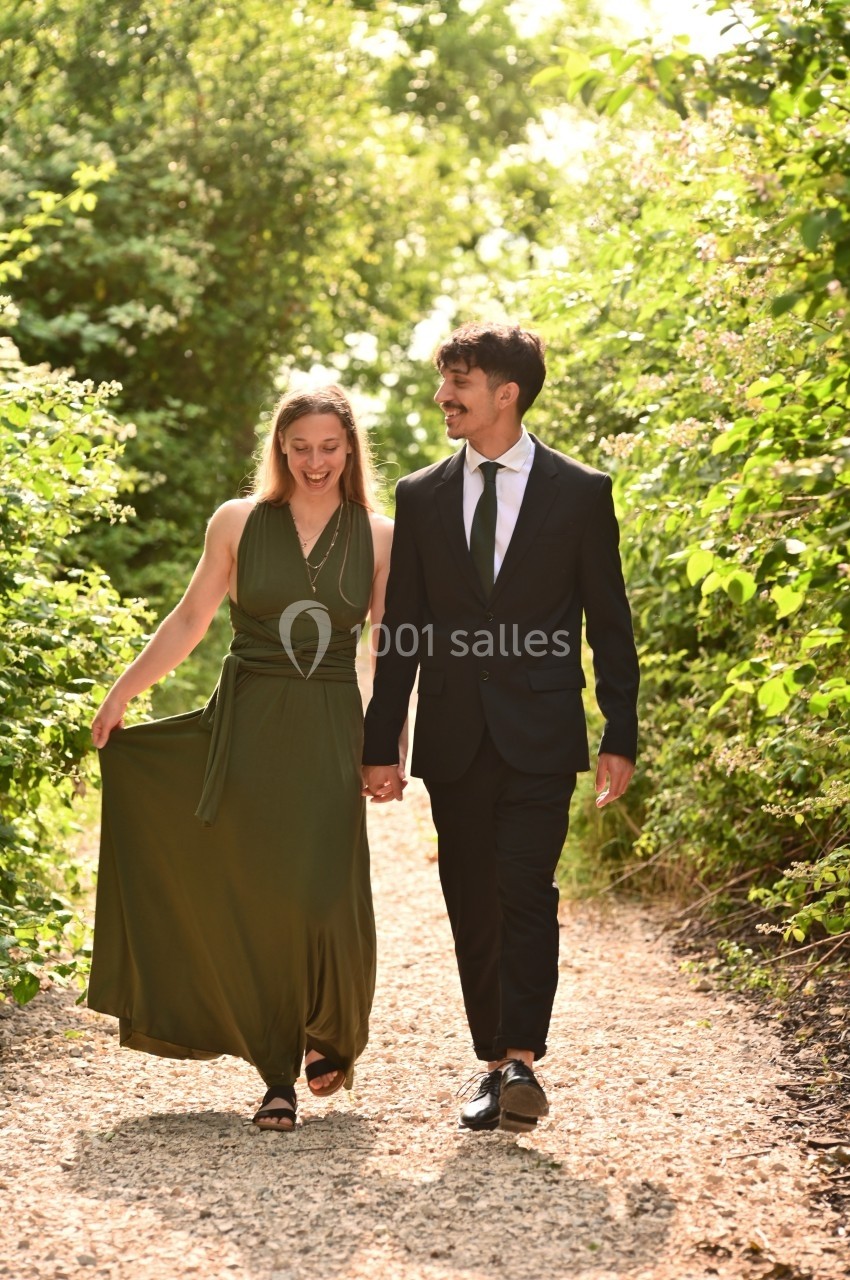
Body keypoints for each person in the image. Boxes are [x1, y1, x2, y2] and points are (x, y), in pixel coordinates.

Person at [89, 384, 393, 1132]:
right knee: (262, 897)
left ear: (350, 449)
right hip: (247, 725)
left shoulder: (381, 535)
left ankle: (331, 1030)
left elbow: (385, 647)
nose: (315, 461)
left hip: (329, 729)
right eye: (301, 447)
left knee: (322, 896)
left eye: (329, 447)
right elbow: (192, 617)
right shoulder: (237, 521)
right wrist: (123, 692)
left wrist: (388, 742)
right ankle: (277, 1072)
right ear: (280, 447)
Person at [361, 323, 639, 1134]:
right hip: (454, 733)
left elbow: (609, 621)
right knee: (470, 895)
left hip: (541, 729)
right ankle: (492, 1062)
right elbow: (402, 626)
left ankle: (519, 1061)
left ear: (506, 394)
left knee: (526, 889)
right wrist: (381, 742)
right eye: (445, 380)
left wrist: (619, 730)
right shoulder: (420, 495)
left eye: (459, 383)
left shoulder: (579, 492)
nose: (442, 396)